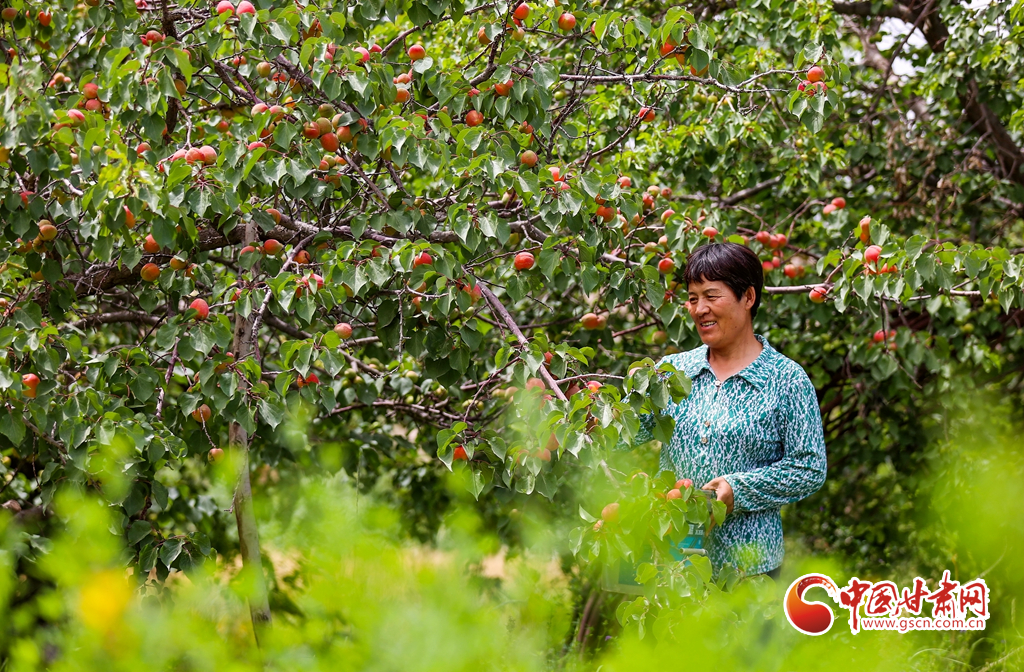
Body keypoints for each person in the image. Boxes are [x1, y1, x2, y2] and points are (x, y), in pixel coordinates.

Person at [624, 242, 827, 580]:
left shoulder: (786, 379)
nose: (699, 308)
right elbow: (623, 434)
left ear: (747, 297)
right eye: (692, 298)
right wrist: (576, 418)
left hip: (750, 571)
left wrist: (739, 490)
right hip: (674, 562)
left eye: (711, 296)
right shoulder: (671, 373)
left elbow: (809, 467)